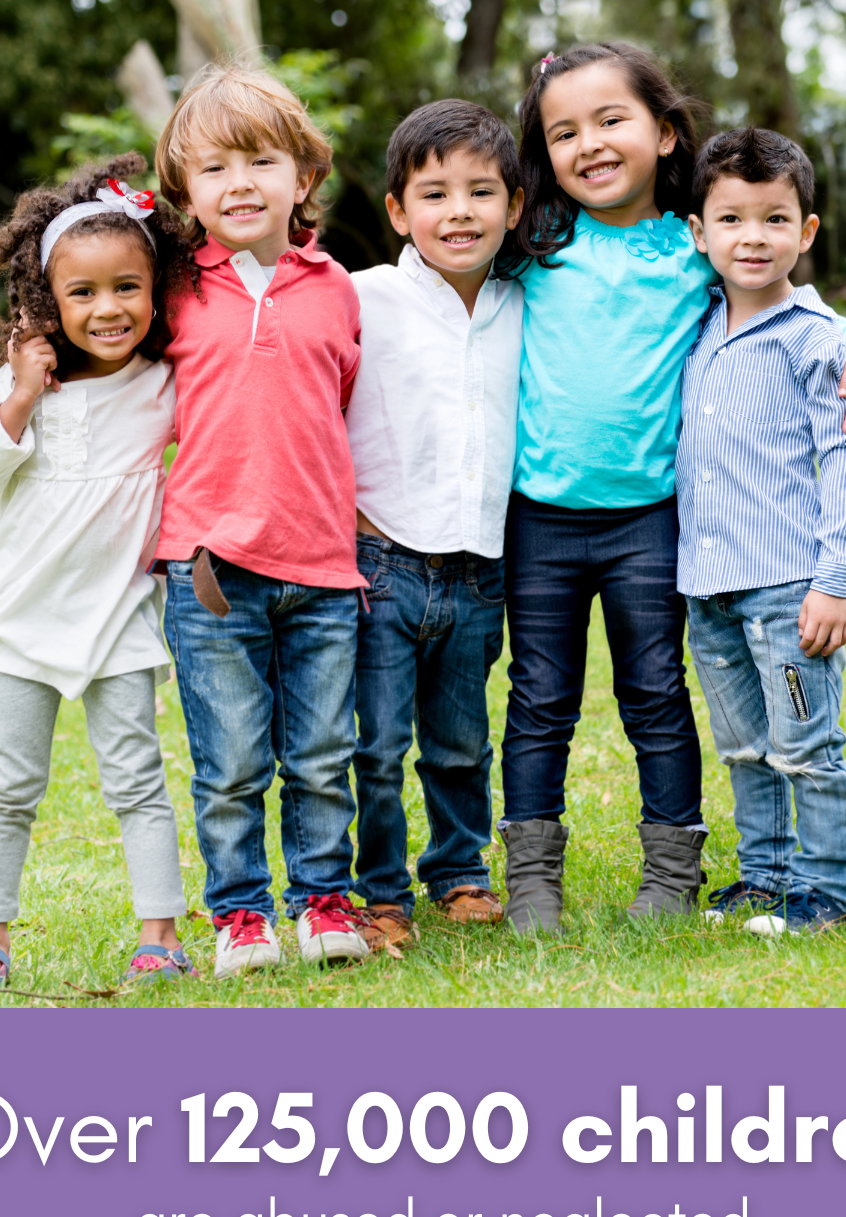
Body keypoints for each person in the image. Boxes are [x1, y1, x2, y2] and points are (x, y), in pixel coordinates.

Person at [494, 43, 846, 931]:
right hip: (540, 523)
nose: (589, 144)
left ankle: (673, 870)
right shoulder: (533, 247)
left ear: (666, 133)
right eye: (564, 132)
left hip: (651, 524)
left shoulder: (694, 248)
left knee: (656, 694)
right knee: (539, 696)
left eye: (611, 120)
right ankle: (530, 879)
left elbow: (792, 301)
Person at [0, 154, 197, 990]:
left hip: (118, 617)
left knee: (137, 779)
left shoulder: (163, 385)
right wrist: (18, 394)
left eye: (126, 287)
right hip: (22, 621)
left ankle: (159, 934)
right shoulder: (24, 388)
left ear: (156, 290)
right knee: (9, 785)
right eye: (82, 293)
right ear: (44, 300)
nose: (107, 308)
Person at [153, 64, 371, 977]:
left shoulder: (336, 288)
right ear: (186, 192)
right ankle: (240, 914)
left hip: (322, 565)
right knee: (232, 759)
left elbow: (345, 402)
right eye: (214, 170)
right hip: (210, 568)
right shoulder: (172, 293)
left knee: (323, 754)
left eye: (260, 161)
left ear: (303, 177)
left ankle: (322, 900)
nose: (239, 184)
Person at [679, 127, 846, 933]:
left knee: (804, 744)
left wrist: (831, 583)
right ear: (699, 232)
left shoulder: (817, 341)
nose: (751, 238)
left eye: (773, 219)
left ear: (807, 230)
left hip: (786, 588)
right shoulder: (692, 327)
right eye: (730, 219)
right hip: (707, 589)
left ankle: (826, 890)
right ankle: (764, 874)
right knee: (744, 746)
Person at [344, 100, 524, 953]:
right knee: (374, 744)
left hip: (480, 565)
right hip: (380, 558)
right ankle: (377, 890)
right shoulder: (362, 298)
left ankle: (458, 870)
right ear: (397, 210)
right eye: (435, 193)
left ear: (515, 206)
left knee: (459, 739)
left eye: (481, 192)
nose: (459, 212)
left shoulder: (526, 306)